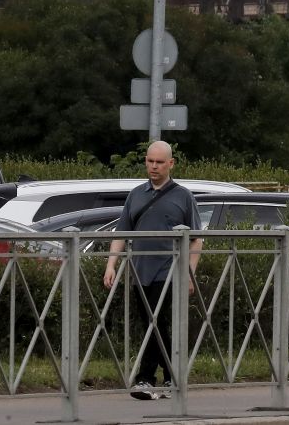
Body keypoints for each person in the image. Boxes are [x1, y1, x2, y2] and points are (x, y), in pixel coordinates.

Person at [102, 141, 203, 401]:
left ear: (171, 163)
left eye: (159, 162)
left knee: (155, 323)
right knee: (153, 323)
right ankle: (172, 377)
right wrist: (111, 264)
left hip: (169, 271)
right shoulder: (136, 195)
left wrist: (189, 273)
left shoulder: (183, 196)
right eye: (150, 161)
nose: (154, 167)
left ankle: (146, 379)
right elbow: (122, 232)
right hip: (140, 270)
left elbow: (196, 239)